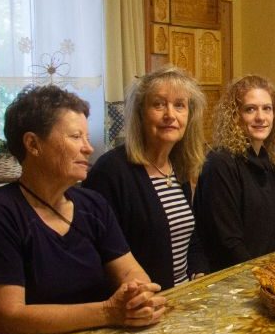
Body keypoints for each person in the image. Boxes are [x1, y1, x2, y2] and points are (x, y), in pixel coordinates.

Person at [0, 85, 165, 334]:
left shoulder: (92, 204)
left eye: (86, 137)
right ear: (33, 144)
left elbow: (128, 269)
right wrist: (108, 312)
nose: (88, 148)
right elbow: (8, 318)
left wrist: (138, 294)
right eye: (75, 137)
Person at [83, 66, 207, 290]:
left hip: (184, 297)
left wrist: (199, 275)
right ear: (140, 113)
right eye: (159, 104)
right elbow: (101, 252)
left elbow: (191, 237)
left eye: (179, 105)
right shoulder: (110, 171)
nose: (170, 115)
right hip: (141, 304)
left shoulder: (178, 166)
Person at [193, 75, 275, 272]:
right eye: (250, 109)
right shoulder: (220, 163)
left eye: (267, 108)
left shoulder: (267, 161)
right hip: (230, 275)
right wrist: (259, 275)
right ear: (235, 116)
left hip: (261, 272)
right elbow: (228, 241)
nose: (261, 117)